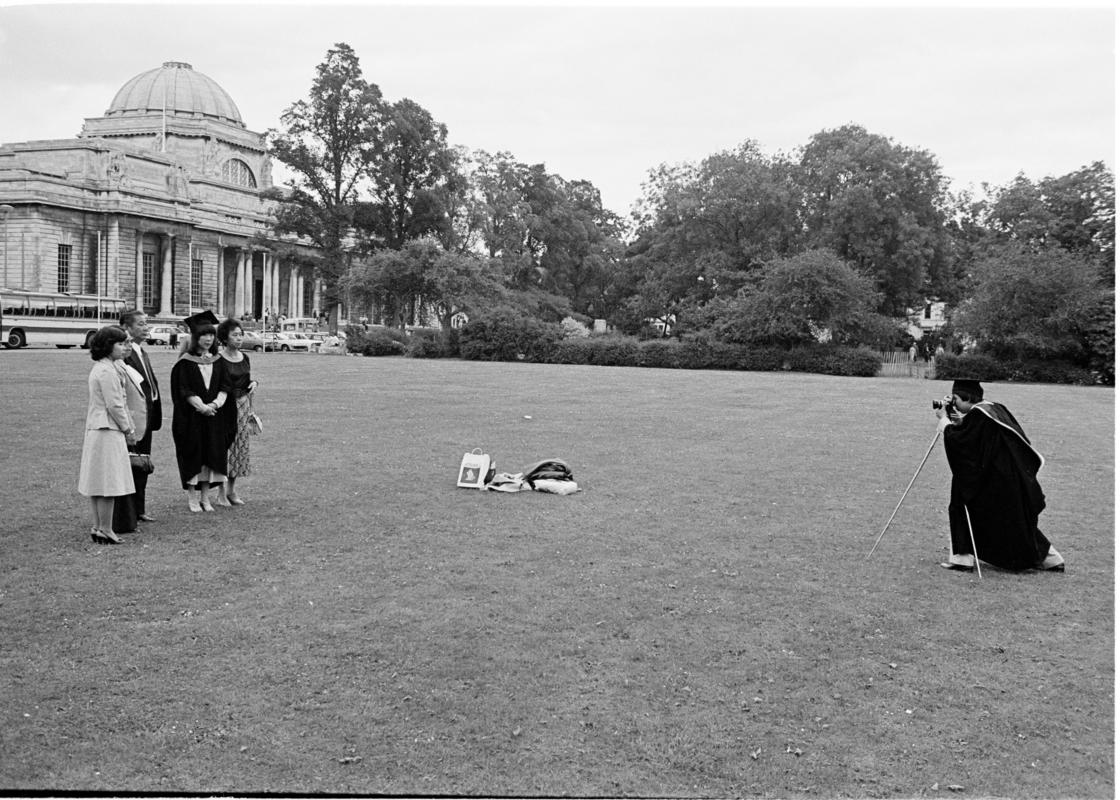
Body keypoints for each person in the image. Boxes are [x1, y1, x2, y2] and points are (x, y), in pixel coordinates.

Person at [934, 379, 1065, 573]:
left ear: (966, 397)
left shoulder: (980, 415)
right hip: (1010, 478)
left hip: (991, 480)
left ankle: (962, 558)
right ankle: (1051, 558)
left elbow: (964, 443)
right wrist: (959, 421)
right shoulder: (994, 409)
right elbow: (977, 436)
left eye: (955, 399)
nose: (954, 404)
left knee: (961, 506)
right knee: (1016, 520)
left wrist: (944, 422)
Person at [78, 326, 137, 544]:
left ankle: (99, 526)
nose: (124, 348)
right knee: (108, 482)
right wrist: (128, 430)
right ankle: (105, 527)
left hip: (99, 428)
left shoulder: (106, 367)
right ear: (108, 346)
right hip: (107, 429)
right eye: (120, 344)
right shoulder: (107, 371)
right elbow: (115, 405)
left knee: (98, 481)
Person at [170, 311, 234, 513]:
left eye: (211, 335)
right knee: (194, 454)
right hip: (192, 417)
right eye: (204, 335)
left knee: (211, 454)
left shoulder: (218, 361)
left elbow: (225, 386)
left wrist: (214, 405)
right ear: (195, 337)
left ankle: (206, 498)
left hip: (215, 416)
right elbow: (183, 390)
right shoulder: (185, 362)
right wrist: (202, 407)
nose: (208, 339)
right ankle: (192, 497)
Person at [112, 309, 163, 531]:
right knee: (131, 465)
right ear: (127, 327)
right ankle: (128, 512)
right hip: (133, 418)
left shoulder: (141, 350)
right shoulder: (124, 354)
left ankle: (139, 509)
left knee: (143, 464)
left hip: (147, 417)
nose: (146, 327)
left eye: (146, 323)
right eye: (141, 324)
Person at [214, 317, 259, 506]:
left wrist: (254, 383)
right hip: (225, 407)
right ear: (225, 337)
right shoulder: (218, 359)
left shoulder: (244, 357)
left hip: (242, 406)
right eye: (235, 335)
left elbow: (246, 378)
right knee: (224, 449)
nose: (239, 338)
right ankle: (221, 492)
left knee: (239, 449)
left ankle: (232, 490)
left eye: (241, 335)